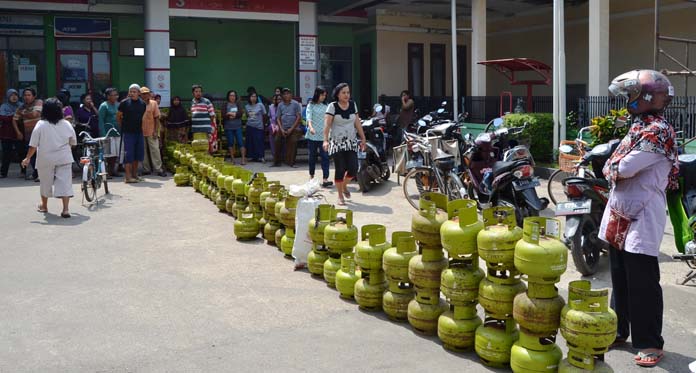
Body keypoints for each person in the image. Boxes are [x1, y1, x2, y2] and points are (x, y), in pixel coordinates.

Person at [599, 70, 679, 369]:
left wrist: (612, 165)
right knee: (619, 275)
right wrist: (612, 165)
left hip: (643, 211)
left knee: (643, 281)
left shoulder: (658, 130)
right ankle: (618, 330)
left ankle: (649, 342)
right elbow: (613, 165)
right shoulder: (639, 126)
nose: (627, 100)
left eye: (631, 94)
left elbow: (624, 167)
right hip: (621, 208)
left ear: (647, 96)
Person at [21, 98, 76, 218]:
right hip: (64, 158)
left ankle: (44, 206)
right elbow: (73, 142)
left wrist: (27, 158)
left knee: (45, 182)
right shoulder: (67, 124)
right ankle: (65, 210)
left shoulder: (40, 125)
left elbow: (33, 145)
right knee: (65, 183)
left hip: (45, 158)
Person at [323, 83, 367, 205]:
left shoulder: (353, 105)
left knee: (353, 169)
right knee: (340, 168)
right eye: (343, 92)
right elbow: (327, 125)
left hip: (351, 142)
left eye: (348, 92)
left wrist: (363, 138)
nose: (346, 95)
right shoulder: (332, 107)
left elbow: (357, 122)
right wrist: (325, 140)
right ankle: (340, 195)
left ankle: (344, 186)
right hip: (337, 142)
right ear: (337, 94)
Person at [118, 84, 146, 183]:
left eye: (134, 92)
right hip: (128, 133)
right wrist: (123, 127)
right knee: (129, 155)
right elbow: (119, 116)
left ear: (139, 93)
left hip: (139, 132)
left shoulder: (142, 104)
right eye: (131, 91)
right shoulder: (124, 103)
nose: (132, 93)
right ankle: (128, 177)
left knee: (138, 155)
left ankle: (135, 175)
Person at [13, 88, 43, 181]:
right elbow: (14, 119)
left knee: (41, 155)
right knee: (32, 156)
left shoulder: (38, 102)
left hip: (41, 134)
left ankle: (40, 174)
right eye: (25, 95)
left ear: (34, 96)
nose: (26, 97)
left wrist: (23, 113)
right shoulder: (21, 107)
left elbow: (35, 114)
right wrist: (18, 132)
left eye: (29, 95)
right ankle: (36, 173)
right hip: (28, 134)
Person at [305, 87, 332, 187]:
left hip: (323, 136)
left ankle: (325, 179)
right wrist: (311, 128)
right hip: (312, 135)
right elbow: (309, 118)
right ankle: (311, 176)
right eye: (322, 95)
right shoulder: (311, 105)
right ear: (317, 94)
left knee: (325, 157)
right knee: (312, 157)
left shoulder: (327, 105)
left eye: (325, 95)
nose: (324, 97)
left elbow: (330, 119)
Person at [273, 88, 302, 167]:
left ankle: (291, 162)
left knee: (293, 141)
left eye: (288, 93)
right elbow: (278, 118)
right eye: (284, 94)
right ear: (282, 96)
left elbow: (298, 118)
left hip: (294, 128)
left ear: (291, 95)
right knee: (277, 140)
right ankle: (276, 162)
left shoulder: (295, 104)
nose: (286, 95)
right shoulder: (280, 105)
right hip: (283, 128)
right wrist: (281, 129)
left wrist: (291, 129)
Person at [140, 86, 165, 177]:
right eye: (143, 94)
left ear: (149, 94)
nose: (145, 95)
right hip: (140, 131)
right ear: (140, 95)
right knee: (143, 151)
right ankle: (146, 169)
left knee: (155, 150)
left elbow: (157, 118)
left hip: (151, 131)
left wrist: (155, 131)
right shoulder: (138, 104)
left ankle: (159, 169)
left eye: (147, 93)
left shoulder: (153, 103)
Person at [98, 88, 121, 177]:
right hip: (107, 133)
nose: (116, 97)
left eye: (116, 95)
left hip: (117, 132)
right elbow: (101, 121)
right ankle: (106, 172)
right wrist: (103, 135)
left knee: (115, 154)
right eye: (113, 95)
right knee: (107, 154)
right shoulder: (104, 106)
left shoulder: (118, 105)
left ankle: (112, 171)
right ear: (108, 96)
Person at [0, 89, 21, 178]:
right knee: (6, 154)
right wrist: (15, 116)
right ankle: (3, 173)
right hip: (6, 134)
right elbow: (3, 118)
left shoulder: (21, 105)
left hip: (18, 133)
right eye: (11, 95)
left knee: (21, 153)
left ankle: (23, 172)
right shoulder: (4, 106)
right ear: (8, 96)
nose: (14, 97)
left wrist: (11, 117)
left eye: (15, 95)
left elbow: (23, 117)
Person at [190, 84, 217, 153]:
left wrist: (207, 125)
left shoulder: (207, 101)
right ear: (193, 93)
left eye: (199, 91)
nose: (198, 93)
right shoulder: (192, 102)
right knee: (197, 147)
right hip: (196, 129)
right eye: (196, 91)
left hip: (205, 130)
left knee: (206, 148)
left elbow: (212, 115)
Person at [223, 90, 245, 164]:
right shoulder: (225, 104)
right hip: (228, 127)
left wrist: (233, 114)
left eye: (234, 95)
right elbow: (223, 115)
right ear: (228, 96)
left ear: (236, 97)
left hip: (238, 126)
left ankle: (243, 159)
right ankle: (232, 159)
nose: (232, 97)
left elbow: (240, 113)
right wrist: (229, 115)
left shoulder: (238, 104)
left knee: (240, 142)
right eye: (231, 95)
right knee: (230, 143)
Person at [245, 92, 267, 163]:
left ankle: (261, 157)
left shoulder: (260, 105)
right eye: (252, 96)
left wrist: (264, 125)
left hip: (259, 127)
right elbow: (247, 116)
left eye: (255, 96)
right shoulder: (247, 106)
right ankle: (252, 157)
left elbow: (264, 115)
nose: (253, 98)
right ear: (249, 98)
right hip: (250, 126)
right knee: (250, 142)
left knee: (259, 142)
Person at [268, 94, 281, 159]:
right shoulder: (271, 107)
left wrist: (278, 126)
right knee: (271, 130)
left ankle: (281, 155)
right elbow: (270, 117)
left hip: (281, 125)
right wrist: (273, 125)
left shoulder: (283, 106)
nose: (278, 101)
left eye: (279, 99)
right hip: (273, 125)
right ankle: (274, 155)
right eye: (276, 99)